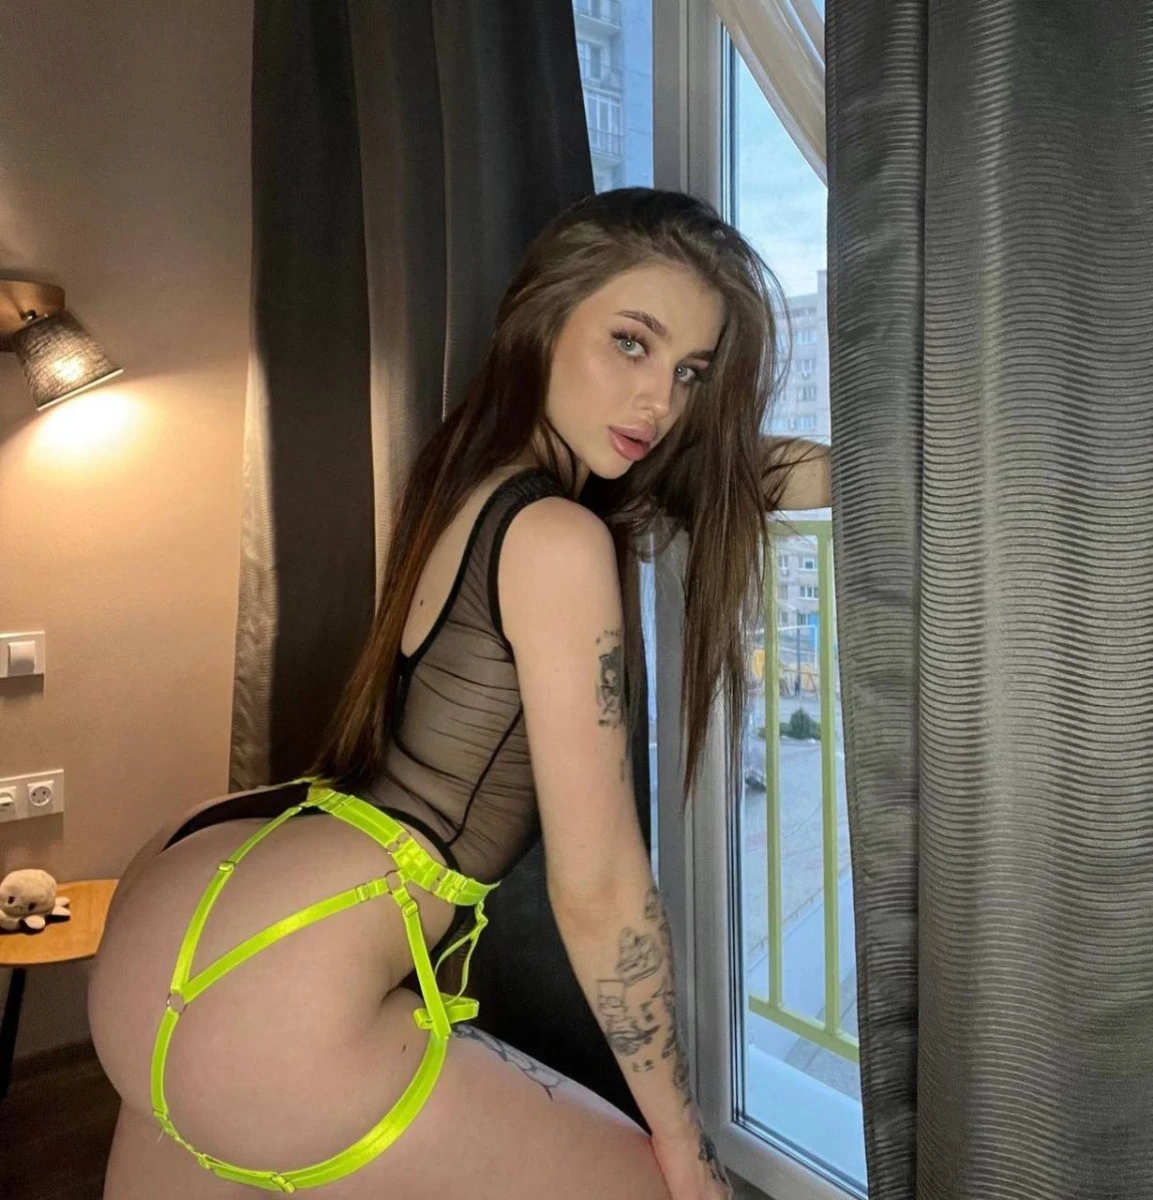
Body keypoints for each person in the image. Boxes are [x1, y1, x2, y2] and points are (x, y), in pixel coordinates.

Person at [88, 187, 830, 1200]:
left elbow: (747, 475)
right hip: (273, 991)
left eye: (689, 372)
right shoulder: (556, 537)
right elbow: (602, 888)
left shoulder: (468, 469)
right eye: (630, 343)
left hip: (178, 916)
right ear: (547, 317)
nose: (658, 401)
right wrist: (687, 1146)